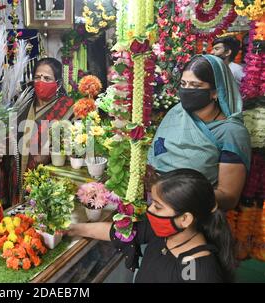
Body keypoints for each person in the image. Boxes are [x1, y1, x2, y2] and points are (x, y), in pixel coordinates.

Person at [67, 168, 236, 283]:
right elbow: (119, 232)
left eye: (158, 206)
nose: (150, 210)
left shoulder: (194, 270)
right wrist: (73, 228)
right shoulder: (163, 233)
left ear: (185, 219)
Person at [147, 55, 251, 211]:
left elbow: (229, 197)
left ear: (215, 92)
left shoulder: (231, 133)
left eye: (195, 85)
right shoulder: (176, 113)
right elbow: (159, 150)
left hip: (196, 220)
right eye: (183, 84)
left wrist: (177, 192)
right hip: (154, 208)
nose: (186, 90)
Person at [0, 57, 74, 206]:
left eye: (47, 78)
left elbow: (72, 147)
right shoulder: (23, 104)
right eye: (37, 77)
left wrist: (51, 153)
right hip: (19, 174)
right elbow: (10, 135)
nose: (41, 82)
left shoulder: (67, 108)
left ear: (58, 84)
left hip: (48, 180)